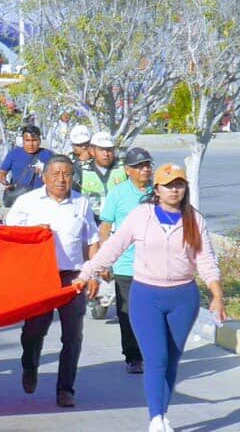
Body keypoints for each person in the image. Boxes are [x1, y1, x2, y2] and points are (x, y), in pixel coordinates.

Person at [74, 164, 225, 432]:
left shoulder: (194, 218)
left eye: (179, 184)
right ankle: (155, 418)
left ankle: (162, 413)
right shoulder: (141, 216)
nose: (174, 189)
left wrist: (217, 294)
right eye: (168, 185)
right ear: (157, 189)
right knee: (155, 358)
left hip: (183, 297)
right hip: (146, 296)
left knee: (172, 357)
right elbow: (113, 247)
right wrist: (87, 274)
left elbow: (206, 260)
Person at [4, 155, 99, 408]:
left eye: (66, 174)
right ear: (44, 176)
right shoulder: (27, 202)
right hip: (40, 277)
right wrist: (32, 231)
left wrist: (92, 274)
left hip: (72, 277)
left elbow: (92, 241)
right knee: (35, 330)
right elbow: (8, 234)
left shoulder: (81, 203)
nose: (61, 179)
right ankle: (29, 364)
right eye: (55, 174)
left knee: (73, 335)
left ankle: (65, 389)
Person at [97, 147, 154, 374]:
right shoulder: (117, 194)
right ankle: (133, 356)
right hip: (125, 265)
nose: (146, 169)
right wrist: (105, 260)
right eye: (140, 166)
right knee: (128, 312)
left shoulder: (158, 192)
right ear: (128, 170)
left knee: (151, 313)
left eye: (148, 164)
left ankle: (152, 352)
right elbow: (106, 228)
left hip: (154, 265)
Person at [0, 125, 54, 207]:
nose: (31, 144)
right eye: (27, 140)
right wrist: (4, 181)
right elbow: (2, 172)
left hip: (43, 200)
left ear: (39, 140)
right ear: (23, 140)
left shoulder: (48, 154)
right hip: (20, 200)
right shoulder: (14, 153)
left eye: (34, 140)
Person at [75, 131, 127, 219]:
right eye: (101, 149)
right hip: (92, 223)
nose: (106, 154)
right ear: (92, 151)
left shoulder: (124, 168)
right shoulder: (81, 171)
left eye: (109, 150)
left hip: (120, 222)